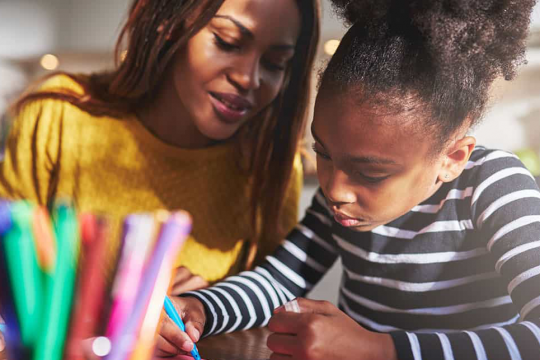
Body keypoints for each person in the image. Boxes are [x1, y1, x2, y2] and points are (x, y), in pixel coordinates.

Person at [162, 0, 540, 359]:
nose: (335, 189)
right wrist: (200, 309)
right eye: (324, 153)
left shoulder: (493, 186)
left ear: (452, 158)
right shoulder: (340, 204)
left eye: (371, 173)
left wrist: (381, 350)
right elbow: (277, 282)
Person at [0, 0, 320, 289]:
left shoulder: (272, 165)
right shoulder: (59, 116)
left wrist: (209, 307)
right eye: (228, 42)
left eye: (276, 63)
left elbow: (272, 306)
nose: (249, 78)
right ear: (168, 22)